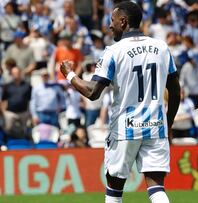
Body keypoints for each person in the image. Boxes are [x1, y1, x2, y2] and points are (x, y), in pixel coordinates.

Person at [60, 2, 180, 203]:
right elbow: (175, 90)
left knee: (114, 190)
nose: (109, 25)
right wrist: (168, 122)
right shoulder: (161, 47)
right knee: (157, 188)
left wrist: (69, 74)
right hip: (155, 127)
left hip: (126, 128)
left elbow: (92, 92)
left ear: (123, 22)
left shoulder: (114, 51)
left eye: (112, 20)